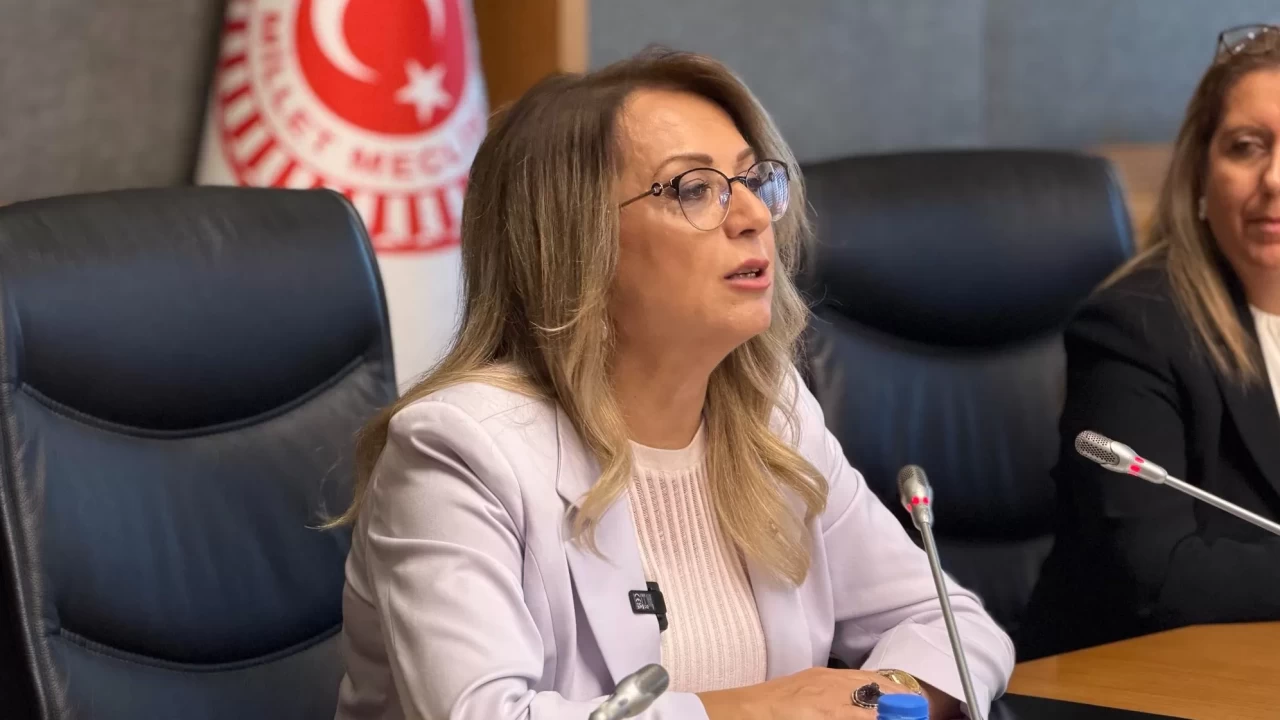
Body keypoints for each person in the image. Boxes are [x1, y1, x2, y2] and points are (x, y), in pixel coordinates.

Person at [331, 48, 1014, 720]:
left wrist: (871, 700)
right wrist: (763, 711)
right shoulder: (459, 451)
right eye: (694, 189)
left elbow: (952, 625)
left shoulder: (768, 416)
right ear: (576, 240)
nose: (752, 216)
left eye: (752, 180)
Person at [1021, 25, 1280, 659]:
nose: (1274, 178)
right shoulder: (1132, 328)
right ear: (1200, 176)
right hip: (1133, 681)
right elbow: (1155, 577)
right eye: (1247, 147)